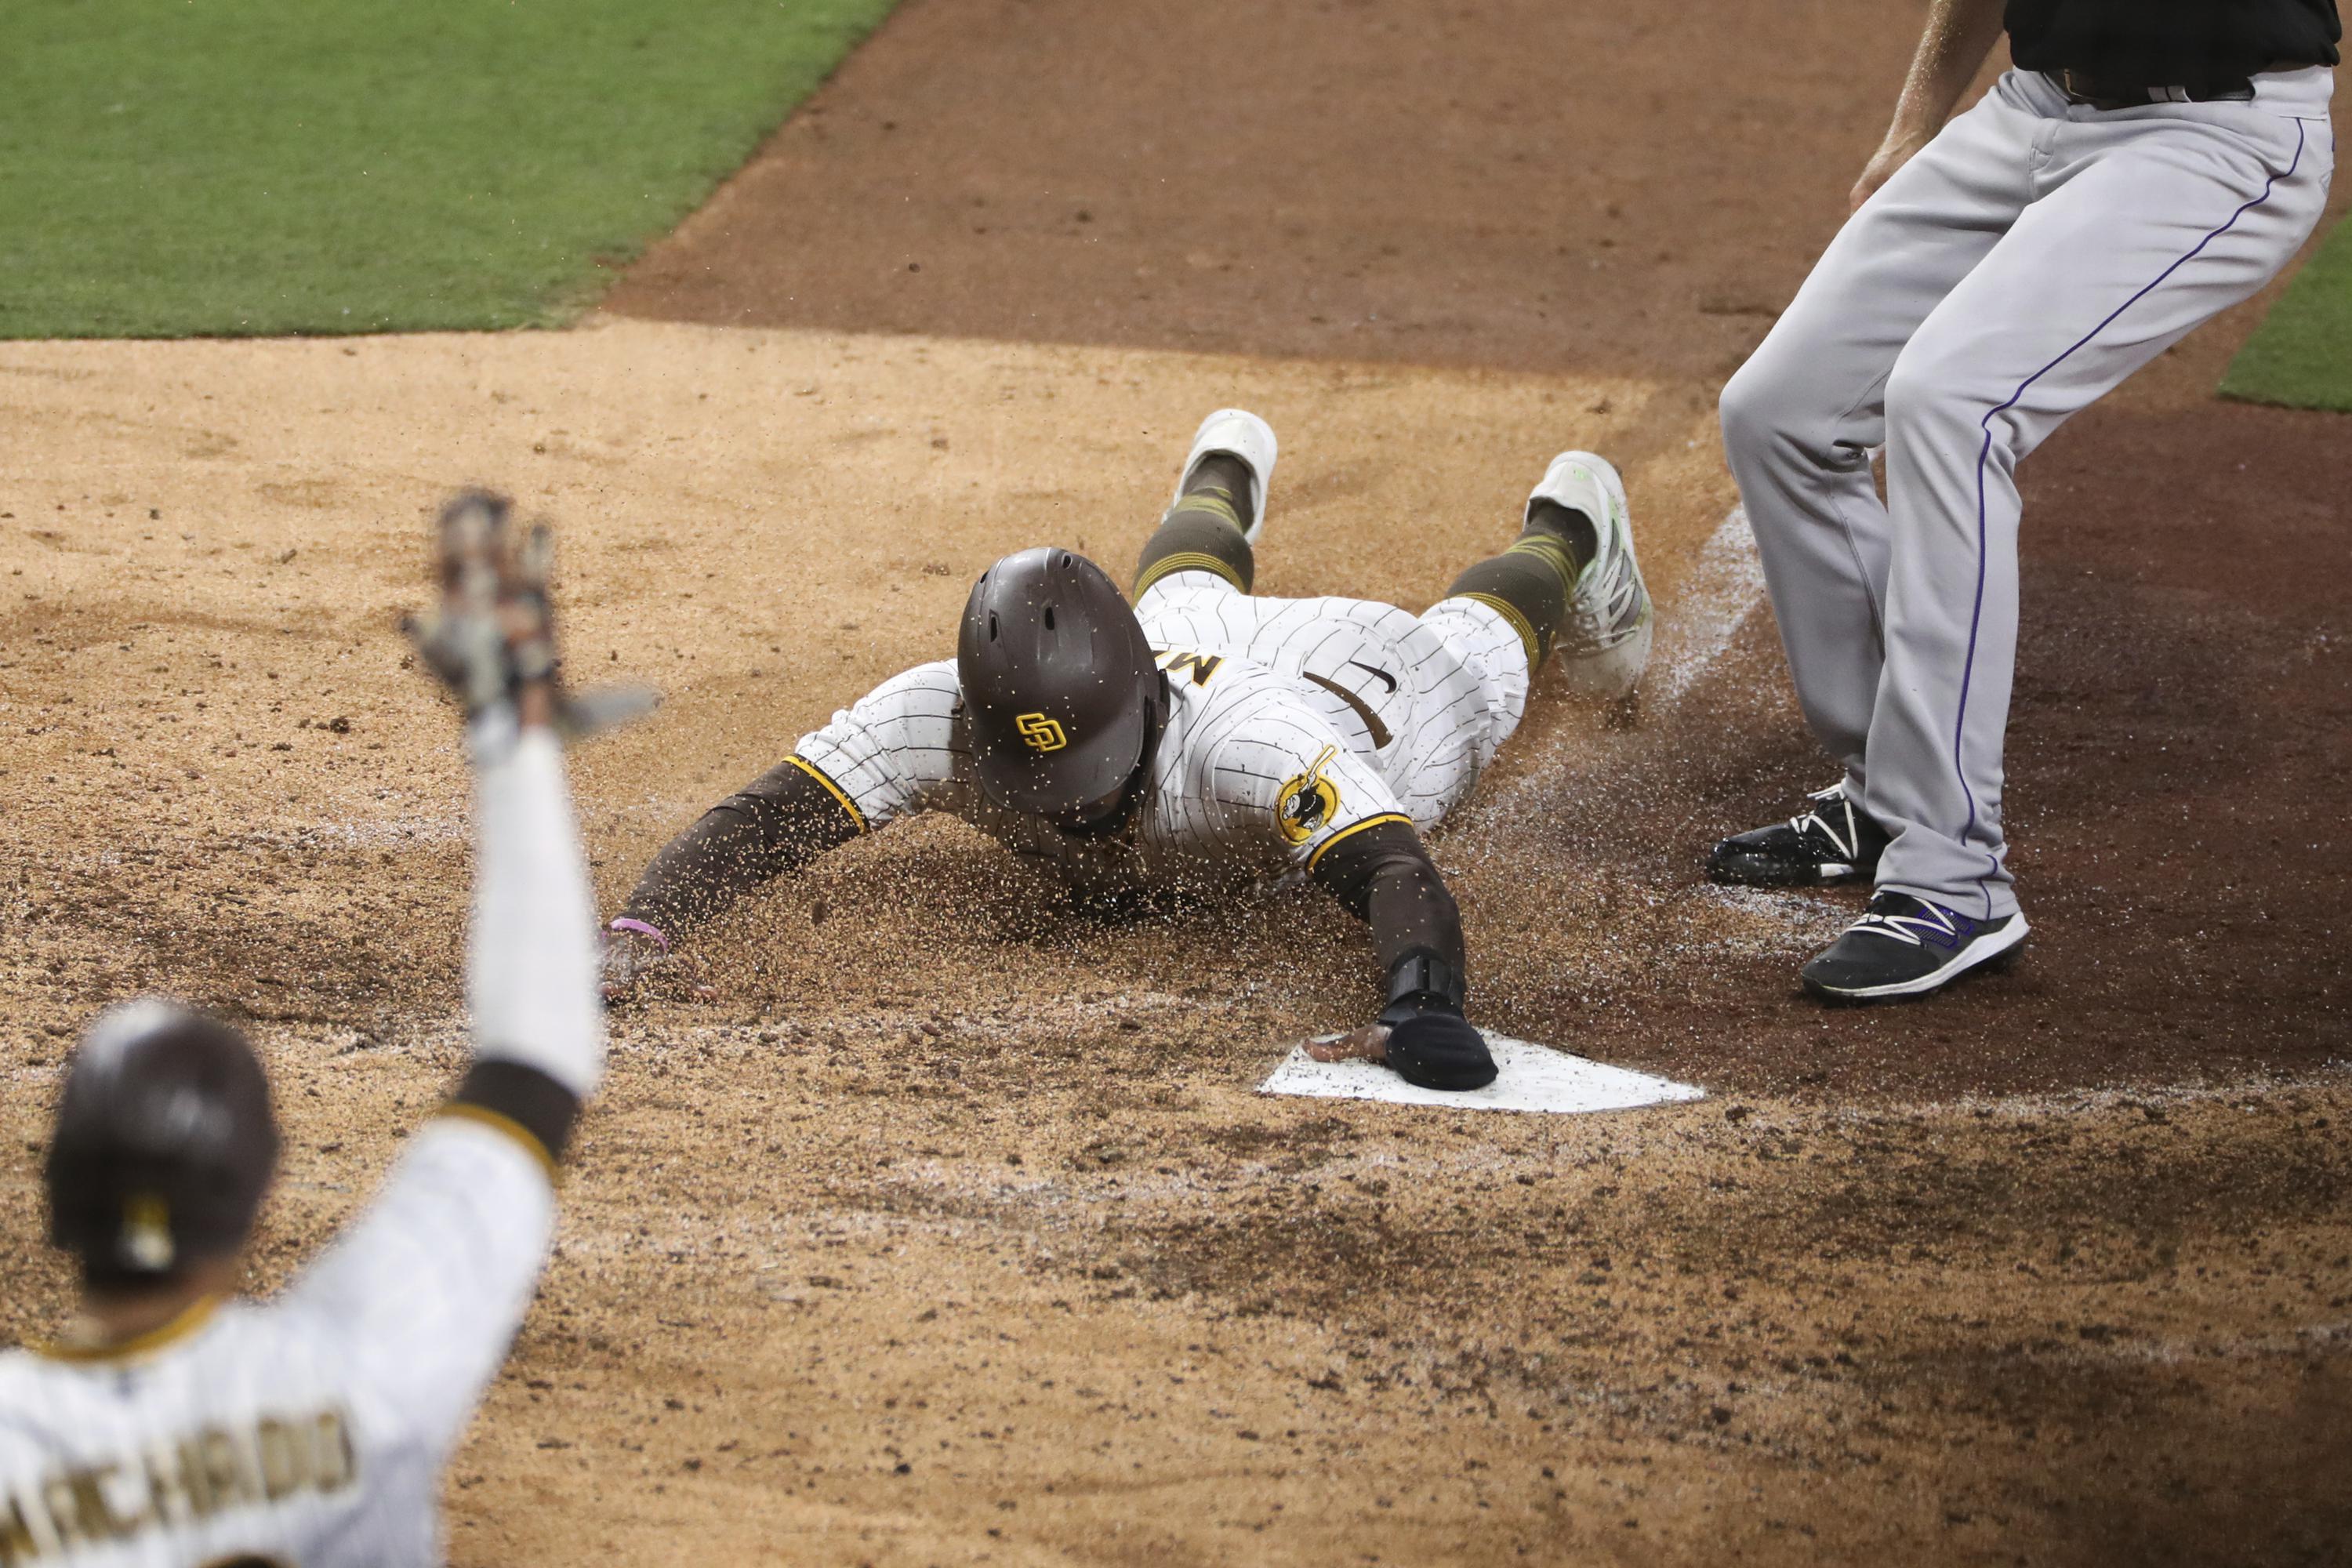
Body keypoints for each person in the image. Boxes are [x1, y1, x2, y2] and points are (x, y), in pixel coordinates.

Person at [599, 409, 1653, 1091]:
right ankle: (1223, 469)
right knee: (1183, 590)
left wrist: (1421, 1001)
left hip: (1370, 687)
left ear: (1140, 706)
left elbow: (1390, 866)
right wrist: (642, 930)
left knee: (1478, 637)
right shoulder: (956, 709)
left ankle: (1570, 522)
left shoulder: (1254, 746)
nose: (1069, 807)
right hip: (1183, 640)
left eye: (1087, 774)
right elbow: (770, 815)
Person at [0, 492, 627, 1563]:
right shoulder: (359, 1371)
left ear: (53, 1195)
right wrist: (511, 736)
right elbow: (537, 1059)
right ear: (257, 1192)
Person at [1714, 0, 2338, 1000]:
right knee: (1779, 410)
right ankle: (1882, 795)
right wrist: (1915, 125)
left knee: (1951, 406)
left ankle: (1955, 877)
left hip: (2212, 138)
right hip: (2028, 113)